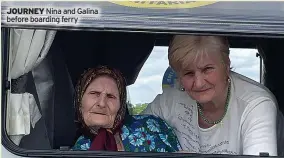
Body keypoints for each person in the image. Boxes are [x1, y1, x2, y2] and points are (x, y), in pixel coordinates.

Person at [142, 35, 278, 156]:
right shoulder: (170, 101)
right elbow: (129, 132)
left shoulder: (257, 105)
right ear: (179, 77)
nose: (199, 83)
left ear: (226, 65)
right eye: (189, 73)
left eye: (207, 69)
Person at [72, 66, 181, 152]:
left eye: (111, 96)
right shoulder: (77, 150)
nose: (102, 103)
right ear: (80, 101)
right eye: (94, 93)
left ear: (120, 105)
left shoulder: (150, 126)